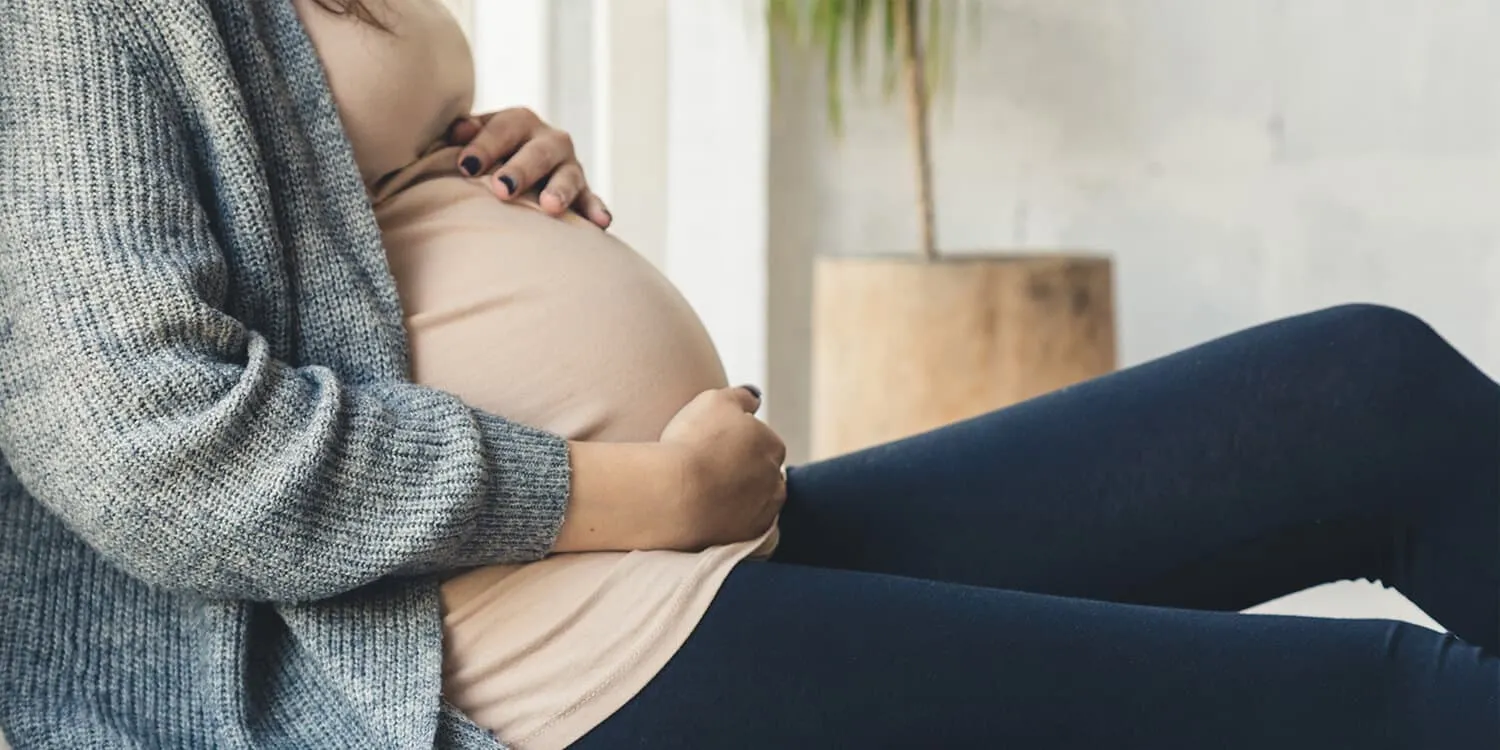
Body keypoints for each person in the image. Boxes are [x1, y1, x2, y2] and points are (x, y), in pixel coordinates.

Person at [0, 2, 1494, 749]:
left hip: (656, 559)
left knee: (1369, 391)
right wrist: (637, 490)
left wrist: (474, 157)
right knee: (1410, 709)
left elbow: (301, 229)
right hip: (489, 653)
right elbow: (158, 448)